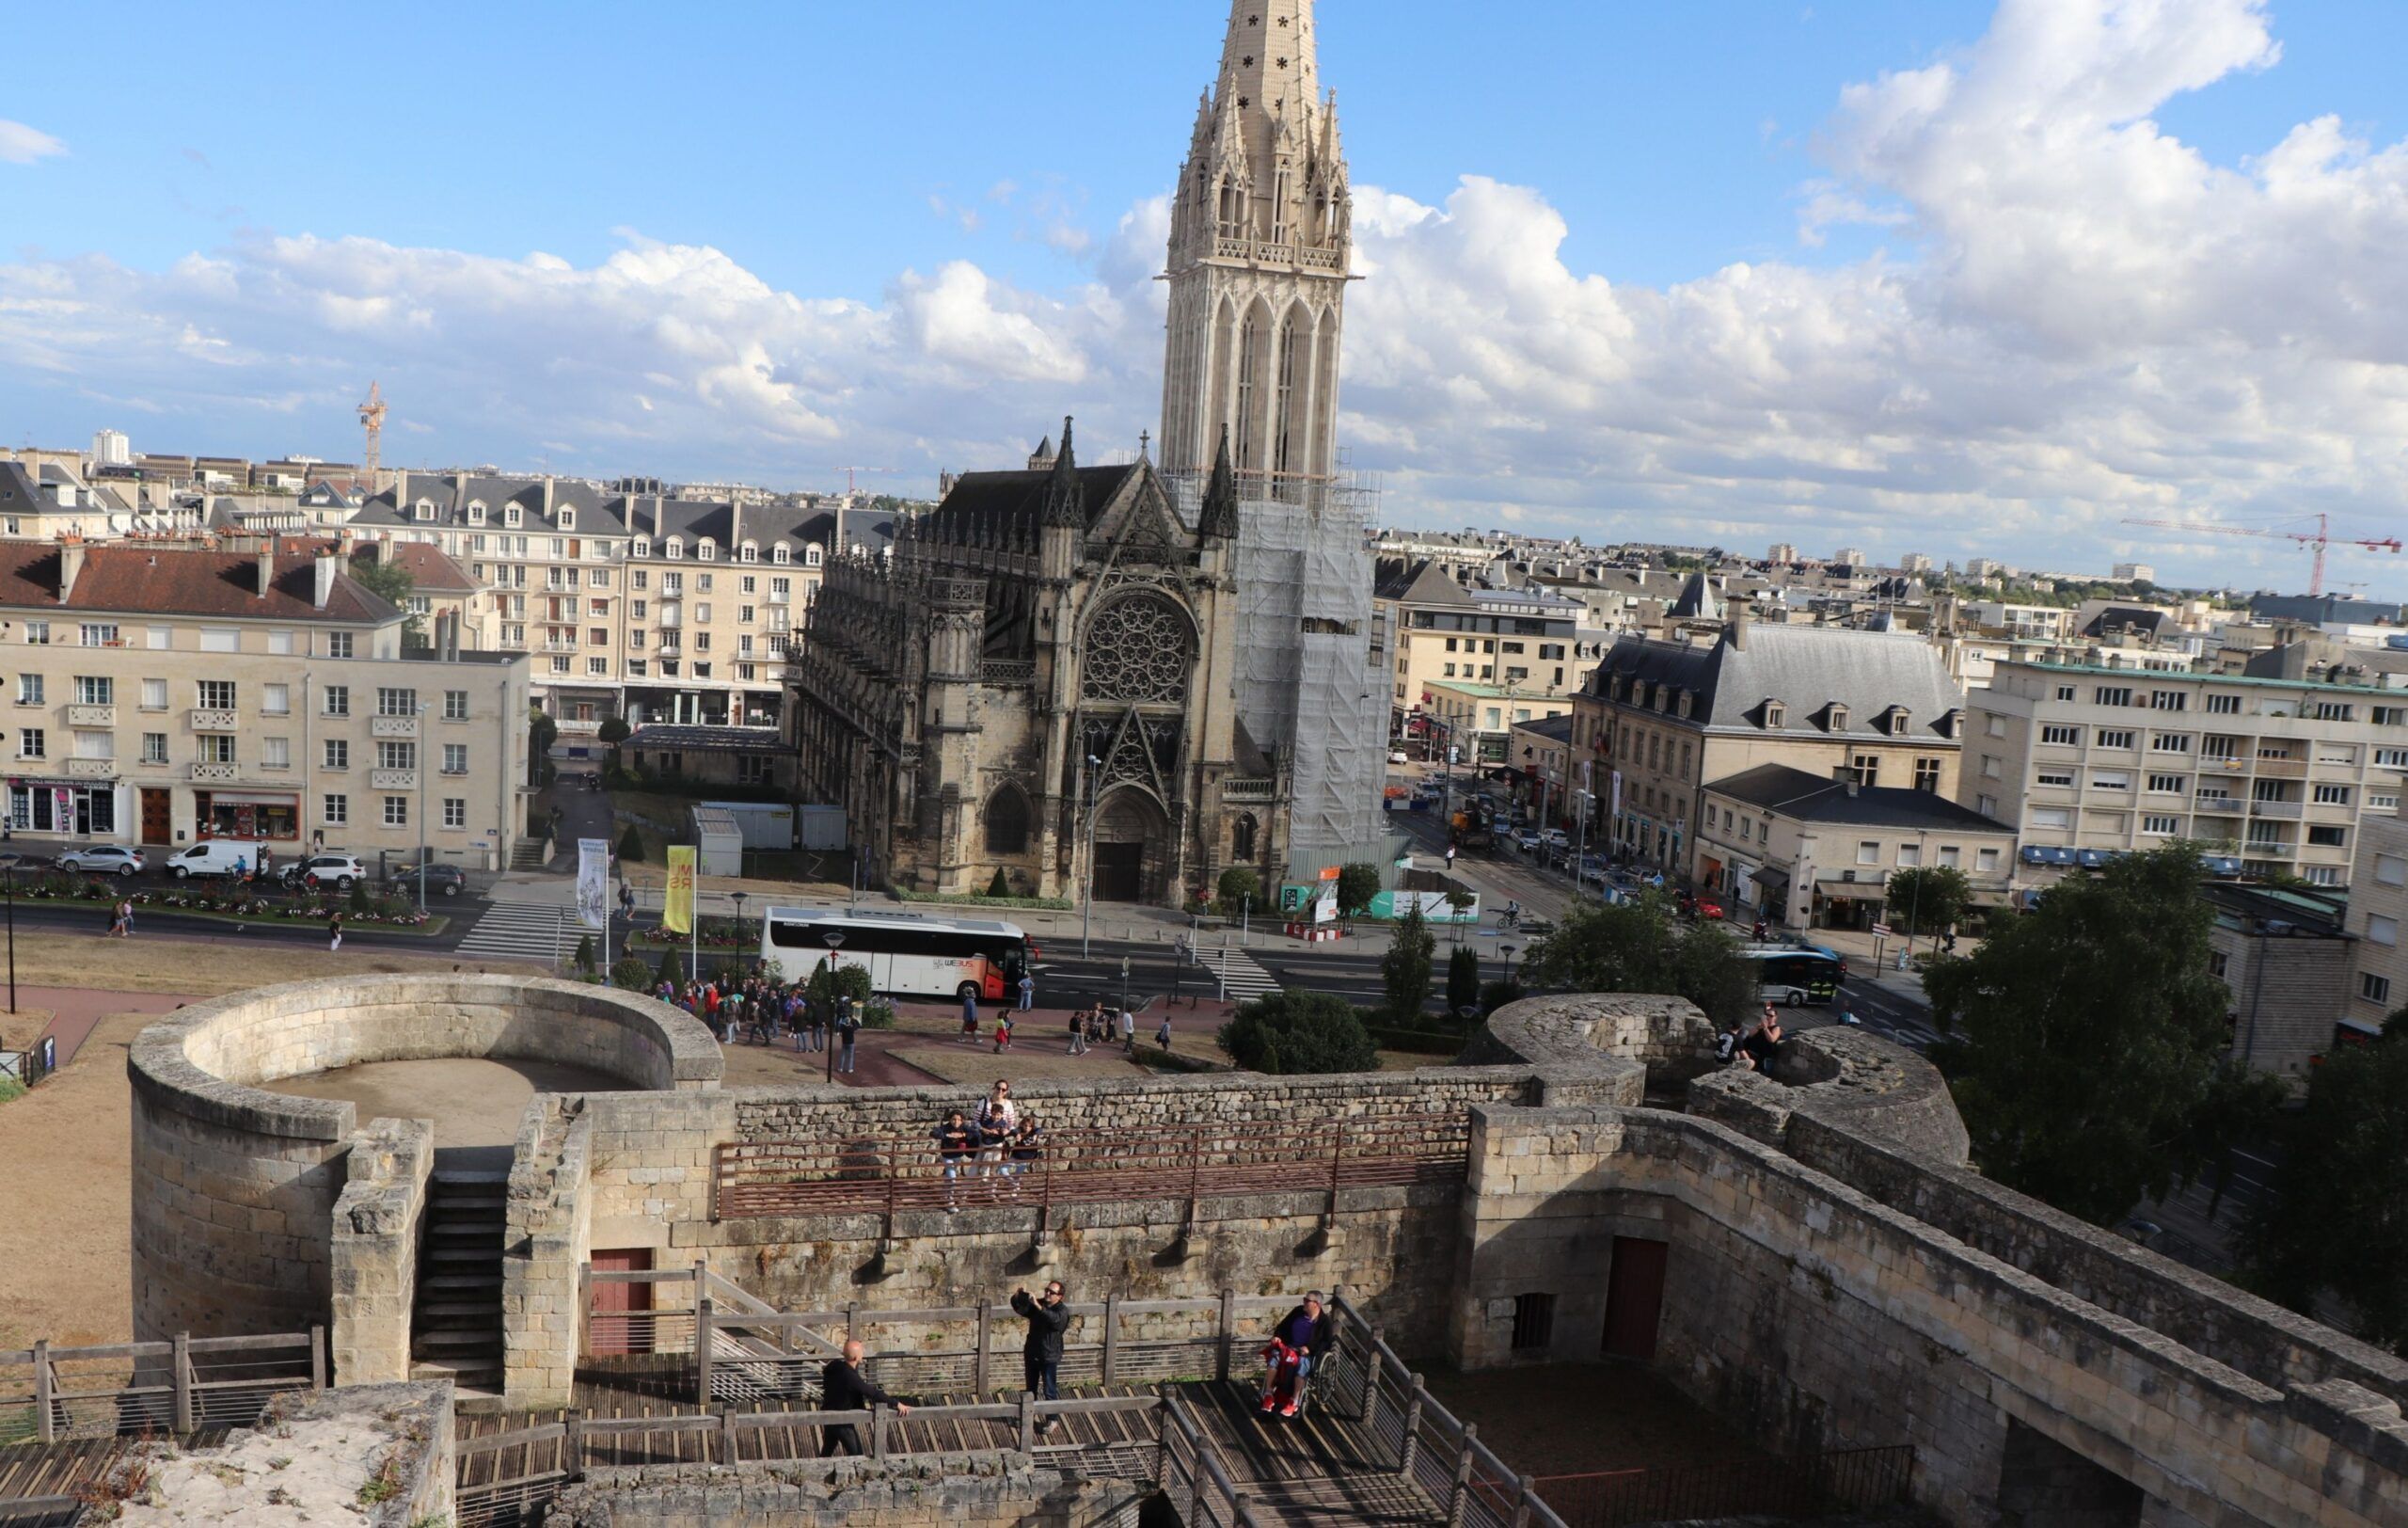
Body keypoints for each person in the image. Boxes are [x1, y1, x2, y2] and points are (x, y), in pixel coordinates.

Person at [819, 1338, 909, 1455]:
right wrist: (896, 1403)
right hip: (841, 1419)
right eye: (862, 1351)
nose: (864, 1352)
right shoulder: (850, 1377)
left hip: (828, 1414)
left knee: (827, 1450)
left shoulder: (835, 1366)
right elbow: (873, 1393)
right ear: (856, 1357)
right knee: (857, 1454)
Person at [1010, 1281, 1070, 1430]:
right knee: (1030, 1389)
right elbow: (1022, 1310)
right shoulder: (1040, 1304)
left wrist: (1038, 1306)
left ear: (1060, 1297)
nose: (1047, 1294)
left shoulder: (1062, 1311)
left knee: (1049, 1389)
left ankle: (1052, 1419)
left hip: (1049, 1355)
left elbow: (1055, 1321)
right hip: (1032, 1352)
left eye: (1051, 1292)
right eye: (1047, 1290)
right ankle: (1028, 1417)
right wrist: (1017, 1297)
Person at [1269, 1292, 1331, 1402]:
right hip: (1290, 1347)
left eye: (1307, 1301)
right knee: (1275, 1358)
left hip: (1307, 1354)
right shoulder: (1298, 1311)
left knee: (1302, 1364)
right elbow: (1282, 1326)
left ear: (1316, 1304)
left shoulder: (1324, 1322)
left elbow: (1326, 1343)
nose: (1304, 1302)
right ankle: (1268, 1393)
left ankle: (1295, 1399)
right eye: (1304, 1299)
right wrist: (1277, 1336)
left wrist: (1309, 1348)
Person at [933, 1109, 976, 1212]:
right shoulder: (946, 1127)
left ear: (962, 1121)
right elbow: (935, 1132)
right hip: (947, 1156)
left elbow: (974, 1133)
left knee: (949, 1176)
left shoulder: (963, 1127)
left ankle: (945, 1192)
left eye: (958, 1120)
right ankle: (950, 1202)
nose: (956, 1122)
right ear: (950, 1119)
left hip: (957, 1156)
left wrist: (963, 1135)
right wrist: (948, 1135)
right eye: (953, 1119)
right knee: (952, 1177)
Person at [1738, 1008, 1783, 1072]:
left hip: (1762, 1055)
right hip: (1751, 1051)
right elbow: (1750, 1035)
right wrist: (1758, 1027)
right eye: (1767, 1015)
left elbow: (1772, 1040)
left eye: (1771, 1016)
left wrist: (1765, 1028)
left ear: (1775, 1017)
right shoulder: (1761, 1025)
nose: (1768, 1017)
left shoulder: (1776, 1028)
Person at [834, 996, 860, 1075]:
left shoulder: (843, 1027)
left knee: (843, 1055)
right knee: (851, 1056)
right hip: (851, 1042)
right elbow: (857, 1026)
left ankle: (840, 1067)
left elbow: (840, 1024)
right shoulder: (851, 1028)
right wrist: (854, 1019)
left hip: (844, 1042)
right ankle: (850, 1068)